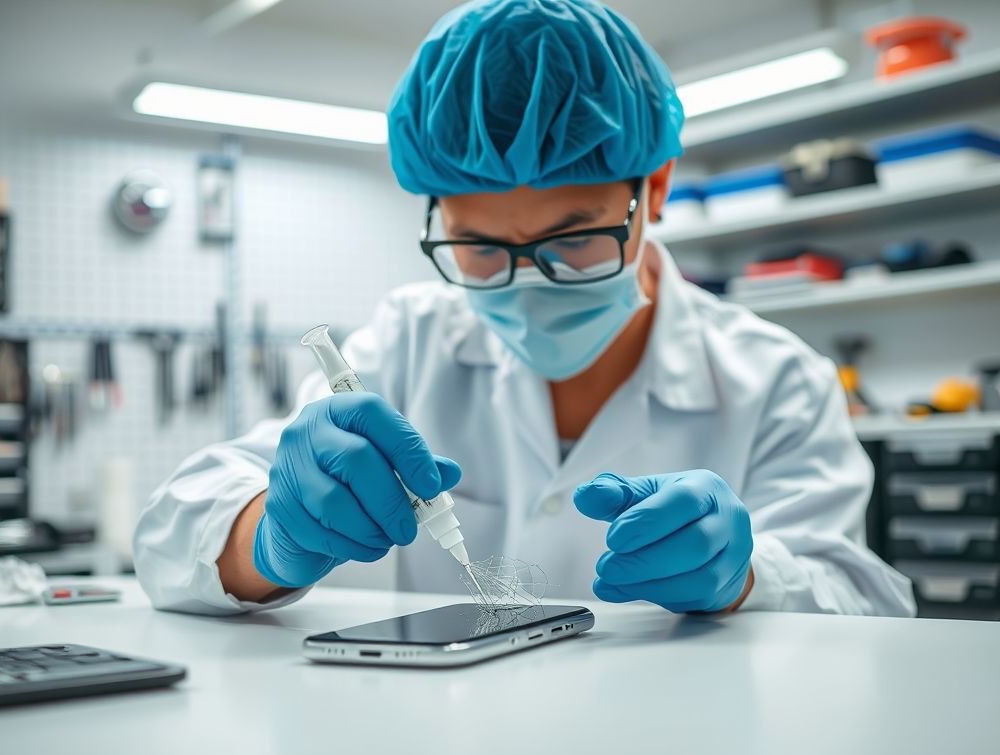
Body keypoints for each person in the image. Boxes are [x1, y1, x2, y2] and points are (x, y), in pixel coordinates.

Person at [134, 0, 915, 618]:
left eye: (574, 240)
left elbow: (869, 604)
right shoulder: (406, 342)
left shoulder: (780, 380)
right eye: (479, 249)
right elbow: (170, 531)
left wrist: (749, 579)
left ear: (658, 189)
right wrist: (266, 536)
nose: (525, 284)